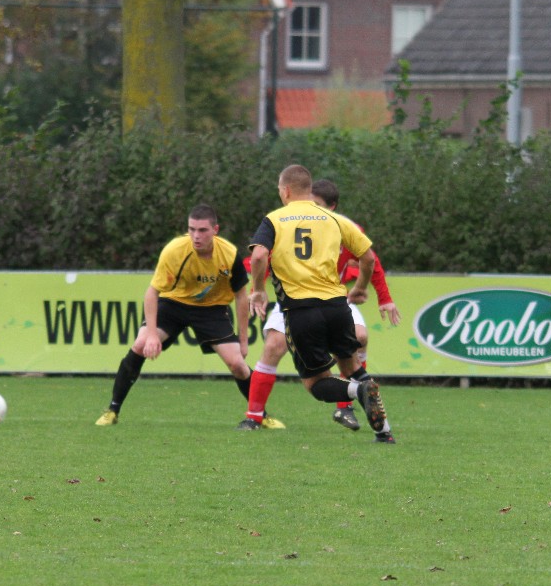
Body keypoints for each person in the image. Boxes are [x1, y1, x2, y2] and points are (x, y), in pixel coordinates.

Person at [245, 165, 394, 442]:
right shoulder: (335, 219)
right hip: (337, 307)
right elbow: (368, 258)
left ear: (286, 191)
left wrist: (258, 291)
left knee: (316, 383)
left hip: (301, 310)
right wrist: (360, 287)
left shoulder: (274, 219)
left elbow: (258, 256)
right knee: (352, 367)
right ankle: (384, 433)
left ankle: (357, 391)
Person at [96, 205, 258, 426]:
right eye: (191, 229)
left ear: (215, 230)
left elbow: (241, 296)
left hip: (211, 309)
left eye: (202, 230)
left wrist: (243, 341)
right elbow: (152, 293)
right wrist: (151, 335)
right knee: (140, 345)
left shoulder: (229, 254)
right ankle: (112, 410)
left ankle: (261, 415)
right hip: (174, 304)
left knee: (237, 364)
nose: (196, 236)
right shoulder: (174, 250)